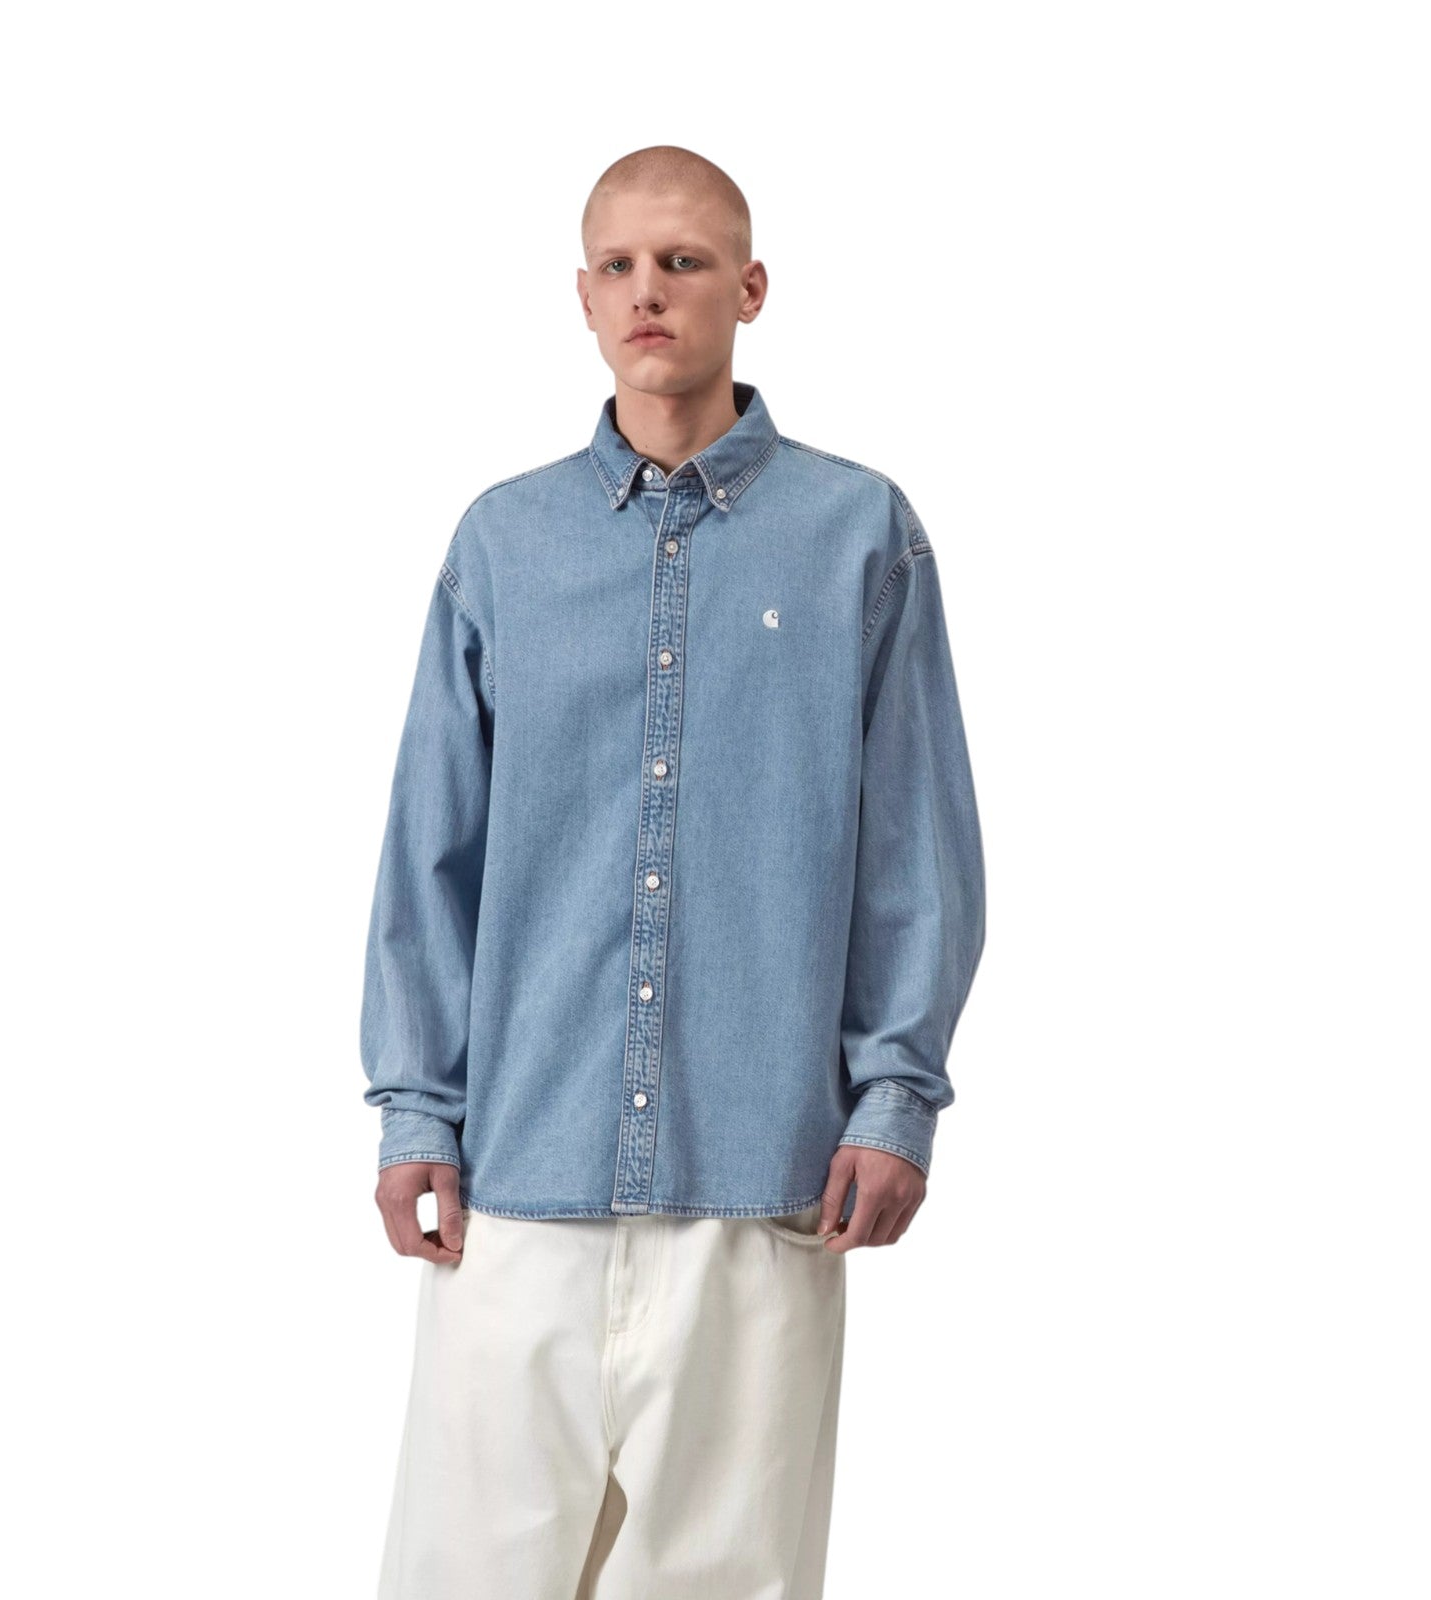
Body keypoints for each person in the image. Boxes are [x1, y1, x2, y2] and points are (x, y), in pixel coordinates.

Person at [358, 143, 987, 1599]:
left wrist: (896, 1095)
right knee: (463, 1575)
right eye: (622, 265)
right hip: (520, 1170)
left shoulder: (860, 537)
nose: (651, 290)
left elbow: (918, 844)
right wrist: (414, 1109)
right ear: (583, 297)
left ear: (749, 289)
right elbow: (431, 848)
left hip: (759, 1179)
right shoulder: (503, 544)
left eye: (685, 262)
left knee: (725, 1580)